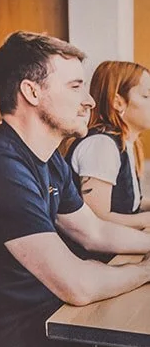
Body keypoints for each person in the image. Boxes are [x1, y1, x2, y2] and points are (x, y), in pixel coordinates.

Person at [0, 31, 150, 347]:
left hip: (48, 322)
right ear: (31, 92)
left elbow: (93, 231)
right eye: (75, 87)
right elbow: (76, 285)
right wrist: (144, 271)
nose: (90, 101)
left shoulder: (47, 158)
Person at [68, 60, 150, 228]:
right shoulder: (102, 145)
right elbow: (97, 219)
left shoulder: (124, 142)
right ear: (118, 102)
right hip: (92, 254)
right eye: (146, 96)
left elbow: (127, 204)